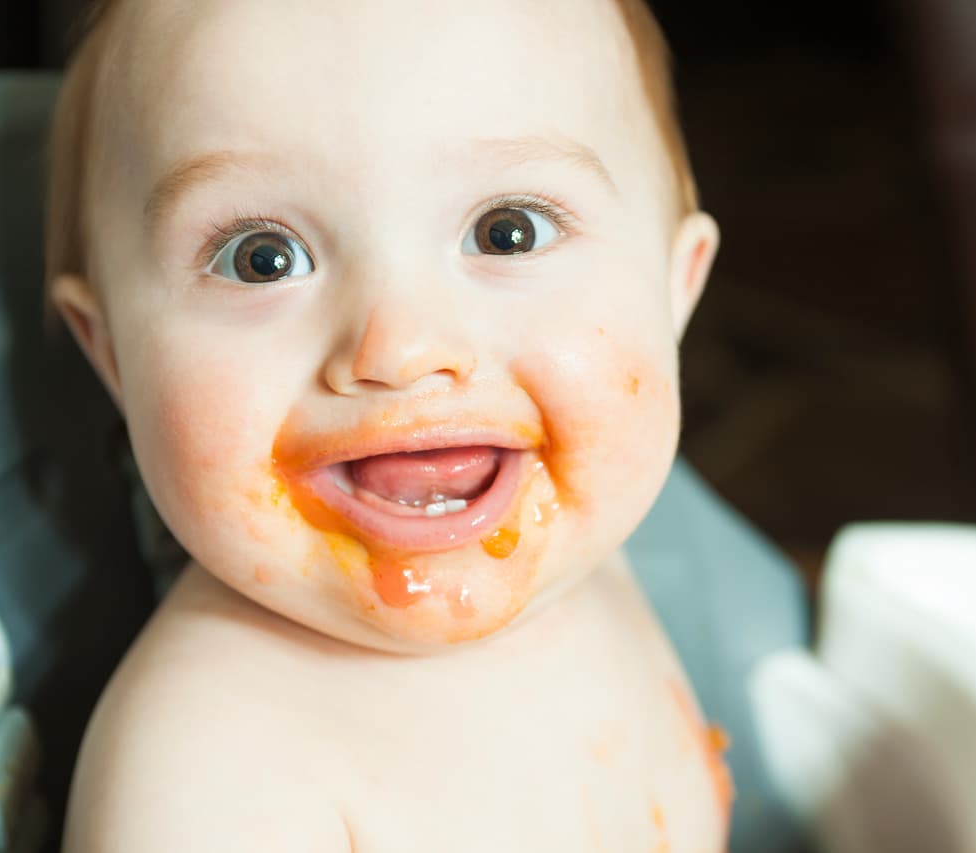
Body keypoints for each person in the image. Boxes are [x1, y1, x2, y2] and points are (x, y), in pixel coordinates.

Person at [46, 0, 729, 848]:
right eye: (262, 258)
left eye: (505, 232)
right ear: (111, 354)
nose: (400, 348)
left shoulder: (591, 546)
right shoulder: (210, 782)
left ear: (676, 288)